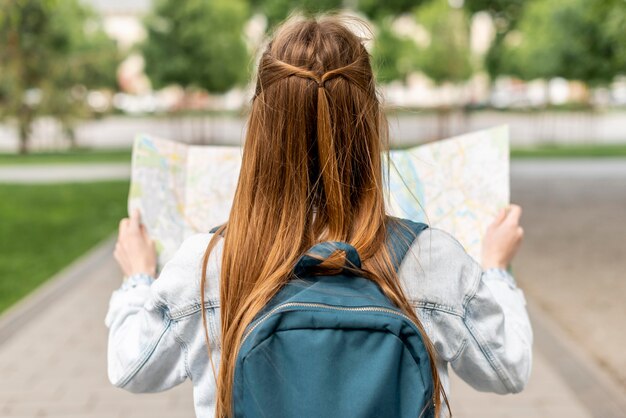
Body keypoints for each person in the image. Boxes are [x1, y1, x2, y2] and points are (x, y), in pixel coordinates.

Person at [106, 15, 532, 418]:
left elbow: (131, 367)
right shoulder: (432, 259)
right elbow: (508, 369)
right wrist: (495, 270)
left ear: (260, 129)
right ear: (370, 121)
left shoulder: (208, 264)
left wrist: (138, 278)